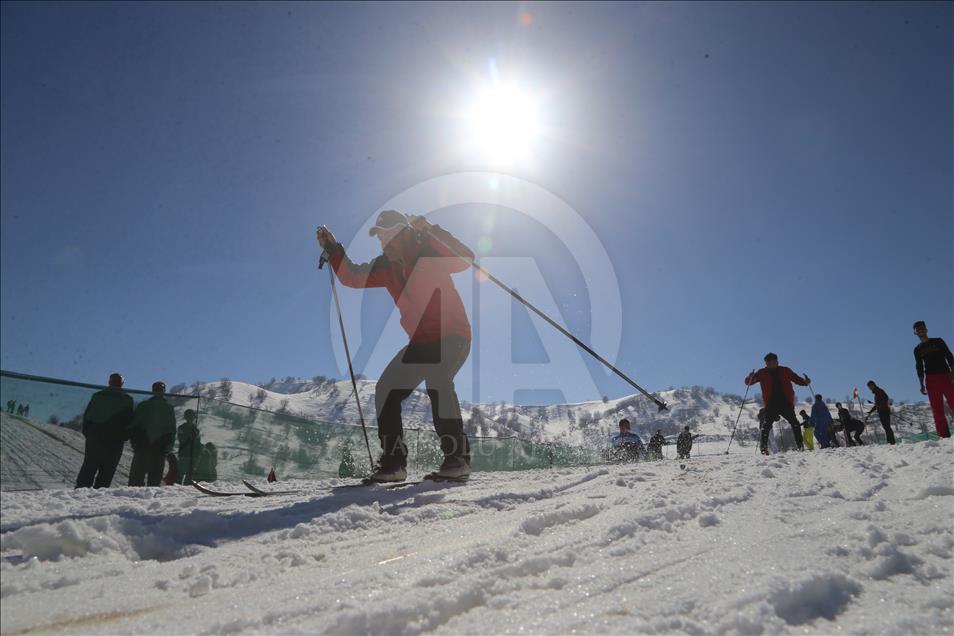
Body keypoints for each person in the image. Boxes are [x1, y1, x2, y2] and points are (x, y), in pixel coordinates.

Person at [317, 211, 474, 482]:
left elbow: (464, 259)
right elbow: (352, 277)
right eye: (379, 236)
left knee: (438, 378)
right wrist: (333, 250)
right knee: (387, 389)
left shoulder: (428, 252)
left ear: (403, 232)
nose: (383, 241)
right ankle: (394, 463)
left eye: (387, 234)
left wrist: (431, 229)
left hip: (453, 335)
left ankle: (457, 459)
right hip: (421, 342)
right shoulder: (385, 267)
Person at [75, 373, 134, 488]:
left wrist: (90, 433)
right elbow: (129, 420)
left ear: (109, 382)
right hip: (115, 440)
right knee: (107, 469)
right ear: (122, 384)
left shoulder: (98, 396)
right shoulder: (127, 399)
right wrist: (124, 435)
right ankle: (98, 495)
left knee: (90, 466)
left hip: (97, 437)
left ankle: (81, 492)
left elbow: (87, 417)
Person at [745, 353, 810, 452]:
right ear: (766, 363)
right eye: (769, 363)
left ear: (777, 362)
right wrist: (749, 377)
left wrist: (805, 382)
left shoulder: (785, 370)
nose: (771, 364)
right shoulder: (761, 373)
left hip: (785, 402)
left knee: (795, 423)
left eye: (773, 362)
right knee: (766, 426)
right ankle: (763, 448)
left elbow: (797, 379)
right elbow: (748, 383)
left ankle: (800, 445)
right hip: (771, 403)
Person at [128, 382, 177, 487]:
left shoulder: (144, 406)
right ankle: (151, 502)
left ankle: (131, 501)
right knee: (154, 481)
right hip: (159, 447)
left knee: (136, 480)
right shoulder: (168, 408)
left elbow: (133, 425)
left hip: (143, 446)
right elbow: (172, 430)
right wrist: (168, 447)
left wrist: (135, 443)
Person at [913, 321, 954, 438]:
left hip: (946, 376)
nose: (920, 330)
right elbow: (919, 367)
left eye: (922, 328)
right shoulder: (917, 349)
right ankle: (944, 435)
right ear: (915, 333)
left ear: (926, 329)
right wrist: (921, 384)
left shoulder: (938, 341)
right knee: (937, 409)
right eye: (917, 329)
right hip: (931, 380)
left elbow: (949, 356)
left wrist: (952, 371)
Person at [866, 381, 896, 445]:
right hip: (882, 411)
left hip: (884, 411)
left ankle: (891, 442)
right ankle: (890, 441)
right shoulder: (876, 393)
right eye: (869, 388)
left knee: (887, 426)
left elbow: (886, 399)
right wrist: (871, 411)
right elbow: (877, 404)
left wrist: (882, 405)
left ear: (873, 385)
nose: (869, 389)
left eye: (870, 387)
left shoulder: (879, 391)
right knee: (886, 427)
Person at [177, 409, 201, 483]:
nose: (191, 419)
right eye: (190, 417)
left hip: (192, 456)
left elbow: (197, 444)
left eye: (192, 417)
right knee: (180, 476)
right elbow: (182, 439)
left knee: (189, 478)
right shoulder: (182, 428)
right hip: (185, 455)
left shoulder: (196, 430)